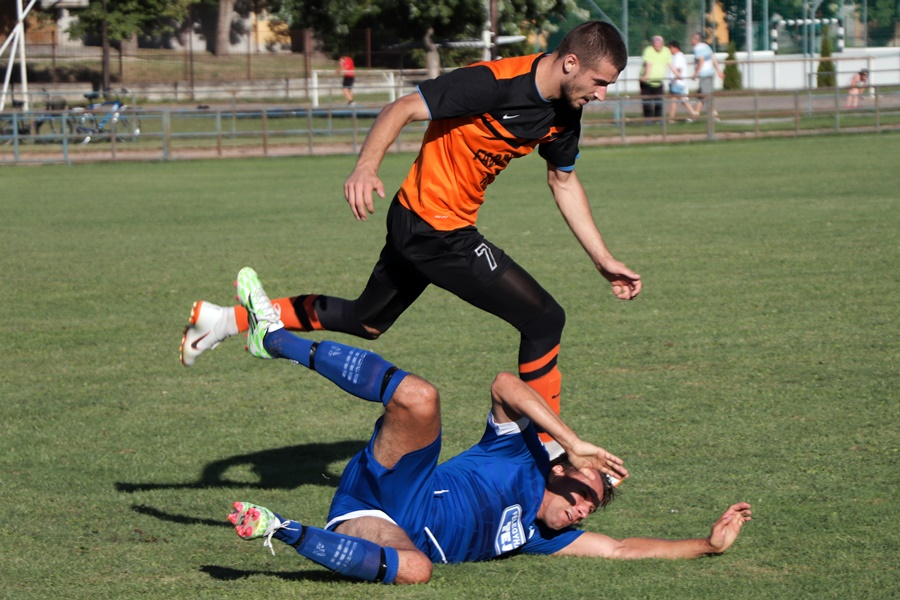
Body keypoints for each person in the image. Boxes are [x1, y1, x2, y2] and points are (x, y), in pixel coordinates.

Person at [181, 21, 643, 457]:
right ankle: (549, 450)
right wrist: (365, 166)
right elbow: (400, 108)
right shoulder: (490, 82)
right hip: (436, 231)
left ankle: (225, 320)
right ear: (570, 64)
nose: (602, 94)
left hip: (421, 224)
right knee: (544, 319)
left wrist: (602, 258)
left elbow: (563, 181)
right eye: (600, 82)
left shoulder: (565, 111)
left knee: (366, 320)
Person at [226, 267, 752, 585]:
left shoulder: (543, 537)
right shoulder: (520, 452)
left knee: (417, 572)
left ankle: (281, 529)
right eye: (581, 490)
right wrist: (571, 443)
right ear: (560, 470)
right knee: (420, 397)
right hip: (400, 479)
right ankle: (274, 338)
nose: (581, 508)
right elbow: (505, 383)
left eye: (589, 508)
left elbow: (620, 549)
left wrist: (705, 545)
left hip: (374, 523)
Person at [690, 32, 724, 117]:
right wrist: (718, 71)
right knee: (700, 95)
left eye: (692, 39)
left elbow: (701, 61)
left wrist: (695, 73)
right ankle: (695, 115)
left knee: (706, 95)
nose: (691, 41)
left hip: (705, 75)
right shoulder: (706, 46)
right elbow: (713, 59)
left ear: (695, 40)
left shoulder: (697, 48)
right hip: (710, 73)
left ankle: (714, 113)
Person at [639, 36, 671, 122]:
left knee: (659, 101)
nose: (657, 46)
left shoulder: (666, 51)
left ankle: (658, 119)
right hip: (647, 82)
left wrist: (678, 75)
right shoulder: (649, 50)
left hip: (658, 81)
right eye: (655, 44)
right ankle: (648, 119)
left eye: (659, 44)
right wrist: (646, 76)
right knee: (647, 101)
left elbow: (670, 63)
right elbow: (649, 64)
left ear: (662, 44)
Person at [667, 40, 698, 123]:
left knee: (673, 101)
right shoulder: (678, 56)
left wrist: (675, 80)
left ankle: (671, 119)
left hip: (677, 82)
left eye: (670, 48)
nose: (669, 50)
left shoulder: (678, 57)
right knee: (683, 100)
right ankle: (693, 114)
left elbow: (679, 69)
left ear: (674, 48)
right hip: (678, 82)